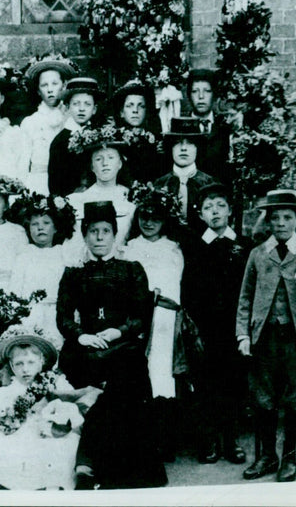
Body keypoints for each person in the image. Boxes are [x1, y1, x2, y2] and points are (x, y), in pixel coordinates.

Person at [56, 201, 166, 490]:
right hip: (85, 348)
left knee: (123, 382)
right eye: (93, 231)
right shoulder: (73, 273)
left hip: (122, 347)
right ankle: (88, 465)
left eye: (106, 231)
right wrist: (81, 335)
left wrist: (117, 332)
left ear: (115, 234)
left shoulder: (131, 270)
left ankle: (94, 466)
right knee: (89, 378)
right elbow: (64, 317)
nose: (100, 237)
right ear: (85, 235)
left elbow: (141, 317)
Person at [235, 189, 296, 482]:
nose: (281, 223)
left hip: (295, 339)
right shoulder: (258, 254)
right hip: (264, 338)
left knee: (294, 401)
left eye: (288, 217)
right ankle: (267, 456)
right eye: (275, 218)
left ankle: (289, 458)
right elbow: (245, 298)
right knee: (263, 399)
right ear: (269, 221)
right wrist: (243, 336)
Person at [182, 182, 252, 465]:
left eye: (220, 206)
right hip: (205, 328)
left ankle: (231, 437)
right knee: (206, 383)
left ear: (230, 211)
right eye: (208, 208)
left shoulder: (244, 246)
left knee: (234, 382)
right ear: (200, 215)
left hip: (235, 327)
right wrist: (193, 326)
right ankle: (208, 438)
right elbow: (188, 290)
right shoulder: (195, 246)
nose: (215, 212)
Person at [0, 325, 92, 490]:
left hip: (51, 440)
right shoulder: (1, 397)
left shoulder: (56, 385)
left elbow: (76, 419)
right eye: (19, 363)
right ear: (11, 366)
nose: (25, 369)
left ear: (41, 362)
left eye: (31, 362)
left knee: (61, 451)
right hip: (16, 443)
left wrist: (60, 417)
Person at [121, 183, 186, 461]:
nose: (148, 222)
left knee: (163, 376)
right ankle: (139, 440)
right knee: (138, 374)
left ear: (165, 220)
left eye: (156, 217)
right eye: (144, 216)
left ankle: (165, 440)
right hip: (137, 319)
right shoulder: (129, 249)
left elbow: (177, 285)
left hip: (165, 320)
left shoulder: (174, 248)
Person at [8, 193, 78, 349]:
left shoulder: (64, 255)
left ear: (56, 228)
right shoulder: (24, 255)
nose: (40, 227)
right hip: (29, 315)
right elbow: (15, 289)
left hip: (57, 315)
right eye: (34, 224)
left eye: (46, 223)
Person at [65, 120, 137, 253]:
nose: (105, 163)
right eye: (98, 159)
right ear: (92, 167)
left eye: (110, 158)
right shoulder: (76, 200)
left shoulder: (131, 197)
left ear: (120, 163)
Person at [19, 54, 77, 194]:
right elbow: (23, 162)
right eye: (44, 85)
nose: (50, 89)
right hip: (39, 182)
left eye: (55, 84)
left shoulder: (73, 119)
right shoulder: (30, 122)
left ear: (63, 86)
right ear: (38, 91)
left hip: (68, 181)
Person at [154, 117, 218, 234]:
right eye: (177, 143)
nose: (183, 148)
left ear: (198, 148)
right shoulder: (160, 184)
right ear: (170, 148)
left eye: (190, 143)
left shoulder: (210, 183)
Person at [48, 76, 103, 197]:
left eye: (87, 104)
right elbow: (55, 185)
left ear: (94, 109)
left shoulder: (100, 136)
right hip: (72, 199)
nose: (82, 108)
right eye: (76, 104)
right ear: (68, 107)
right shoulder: (60, 142)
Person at [112, 79, 162, 184]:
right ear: (121, 112)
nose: (135, 110)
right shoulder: (114, 141)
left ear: (147, 112)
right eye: (130, 106)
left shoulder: (156, 142)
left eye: (141, 106)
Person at [186, 68, 231, 181]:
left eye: (207, 91)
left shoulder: (225, 126)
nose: (201, 96)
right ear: (189, 95)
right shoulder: (180, 127)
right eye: (195, 91)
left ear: (214, 94)